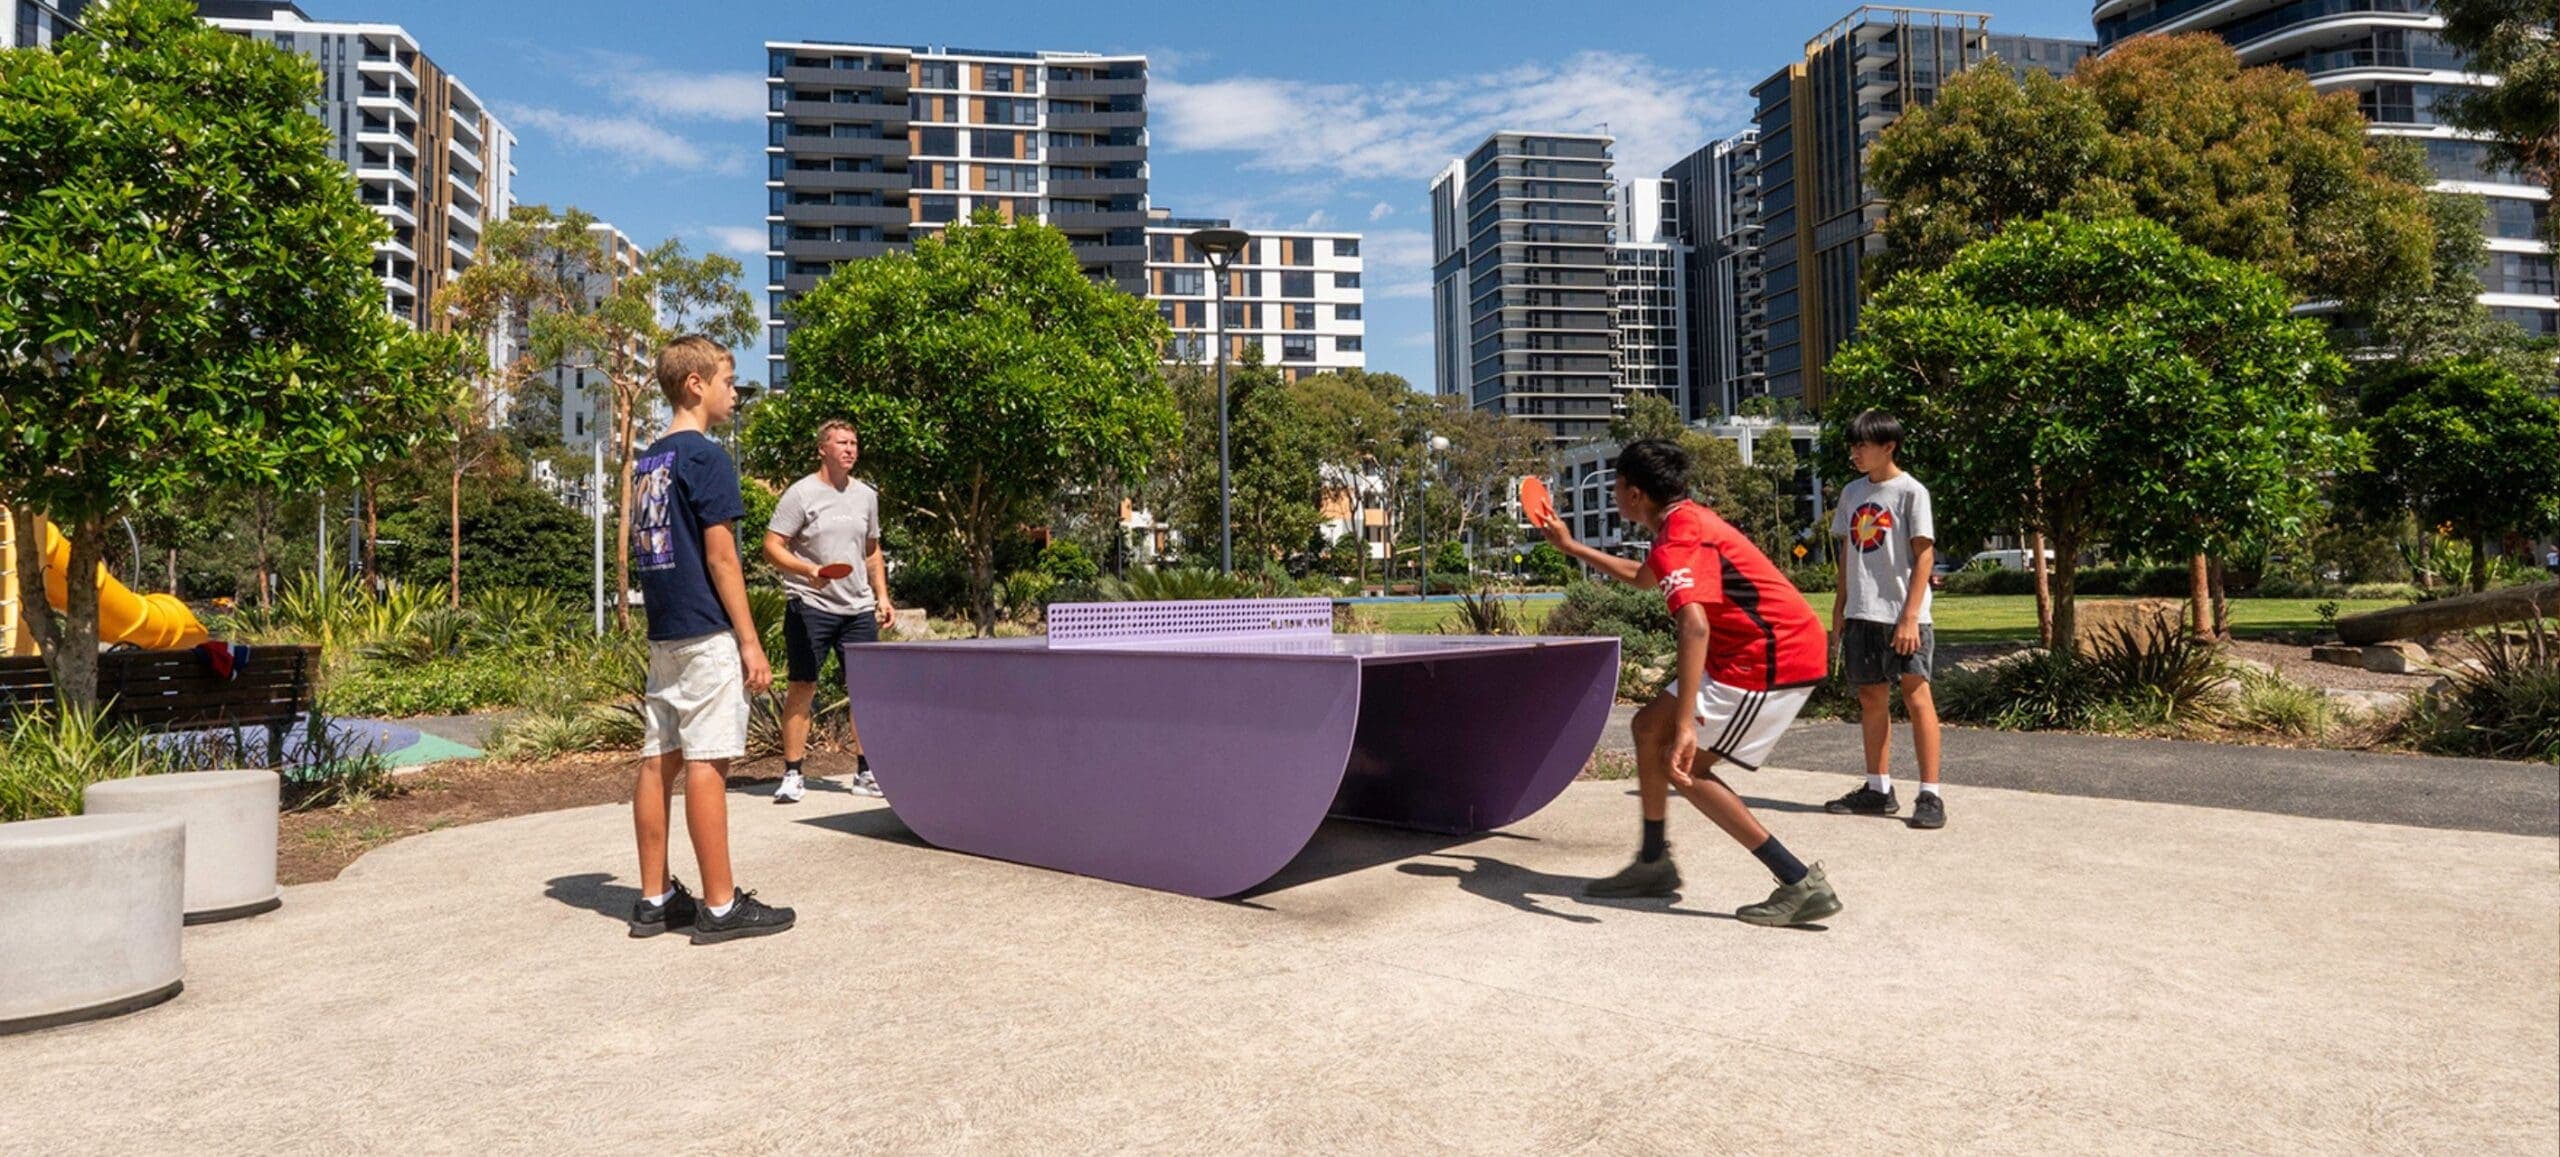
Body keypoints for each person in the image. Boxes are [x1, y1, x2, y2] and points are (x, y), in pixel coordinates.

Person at [1535, 438, 1843, 927]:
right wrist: (1571, 546)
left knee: (1682, 765)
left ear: (1634, 493)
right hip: (1744, 652)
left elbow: (1694, 625)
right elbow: (1643, 577)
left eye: (1616, 485)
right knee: (1645, 727)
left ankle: (1797, 881)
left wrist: (1686, 725)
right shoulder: (1679, 523)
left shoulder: (1682, 534)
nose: (1614, 493)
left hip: (1772, 657)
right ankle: (1654, 863)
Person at [623, 334, 794, 944]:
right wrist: (750, 642)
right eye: (729, 380)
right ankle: (720, 906)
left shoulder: (649, 460)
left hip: (665, 633)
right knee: (705, 761)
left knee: (658, 757)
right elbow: (723, 558)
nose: (734, 392)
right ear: (695, 384)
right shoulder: (705, 457)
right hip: (705, 633)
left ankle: (654, 897)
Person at [1825, 409, 1946, 830]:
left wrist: (1910, 616)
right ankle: (1878, 790)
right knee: (1871, 700)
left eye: (1863, 445)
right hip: (1862, 612)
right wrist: (1839, 609)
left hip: (1903, 615)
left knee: (1917, 699)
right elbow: (1848, 554)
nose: (1855, 453)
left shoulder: (1912, 492)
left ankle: (1930, 794)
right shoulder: (1852, 493)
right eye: (1853, 445)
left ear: (1888, 446)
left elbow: (1924, 554)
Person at [763, 419, 894, 804]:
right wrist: (808, 571)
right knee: (804, 685)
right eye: (842, 442)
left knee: (865, 692)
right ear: (823, 449)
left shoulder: (867, 496)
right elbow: (772, 547)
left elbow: (871, 551)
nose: (850, 449)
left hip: (857, 608)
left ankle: (866, 773)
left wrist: (881, 597)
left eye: (854, 442)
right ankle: (792, 774)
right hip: (811, 605)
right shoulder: (800, 494)